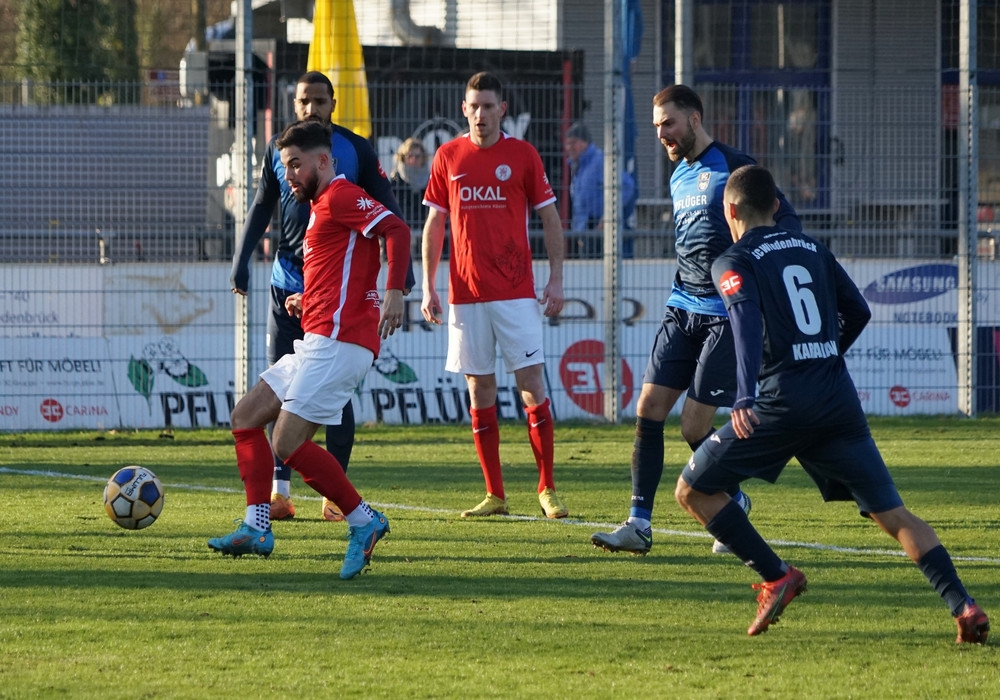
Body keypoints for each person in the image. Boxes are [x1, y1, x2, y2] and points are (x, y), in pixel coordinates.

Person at [674, 164, 990, 642]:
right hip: (837, 400)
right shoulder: (813, 248)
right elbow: (858, 310)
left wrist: (745, 395)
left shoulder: (733, 260)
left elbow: (745, 322)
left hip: (781, 403)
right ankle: (963, 605)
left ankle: (777, 575)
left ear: (730, 211)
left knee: (692, 491)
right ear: (776, 205)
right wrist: (824, 354)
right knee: (894, 515)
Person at [591, 84, 801, 556]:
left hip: (724, 315)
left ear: (695, 119)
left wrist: (755, 277)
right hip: (681, 306)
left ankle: (732, 501)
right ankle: (638, 525)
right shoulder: (678, 175)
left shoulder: (735, 167)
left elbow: (787, 223)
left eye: (668, 123)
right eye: (656, 126)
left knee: (692, 427)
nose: (661, 134)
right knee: (648, 408)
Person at [209, 120, 411, 580]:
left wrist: (395, 291)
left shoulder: (339, 195)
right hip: (320, 338)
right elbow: (344, 267)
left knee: (286, 441)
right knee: (245, 417)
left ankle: (363, 521)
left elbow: (397, 230)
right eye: (285, 167)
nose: (290, 176)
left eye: (296, 164)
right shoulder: (321, 206)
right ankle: (256, 526)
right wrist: (309, 299)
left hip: (341, 344)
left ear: (323, 160)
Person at [420, 71, 569, 519]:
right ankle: (495, 495)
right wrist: (428, 285)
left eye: (488, 106)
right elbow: (434, 225)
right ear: (463, 110)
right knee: (478, 389)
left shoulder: (522, 155)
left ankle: (547, 489)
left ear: (502, 109)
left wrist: (556, 278)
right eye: (474, 106)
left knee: (531, 386)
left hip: (515, 292)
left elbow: (550, 218)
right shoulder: (447, 156)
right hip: (465, 295)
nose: (480, 114)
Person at [563, 121, 636, 257]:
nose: (569, 148)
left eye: (573, 143)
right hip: (585, 231)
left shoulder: (599, 161)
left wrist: (608, 216)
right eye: (567, 144)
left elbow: (627, 186)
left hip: (599, 231)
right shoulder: (578, 166)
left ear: (585, 142)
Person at [389, 136, 430, 230]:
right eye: (410, 156)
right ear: (403, 158)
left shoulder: (430, 179)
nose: (413, 159)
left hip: (425, 225)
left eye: (417, 156)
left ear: (423, 158)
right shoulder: (396, 180)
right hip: (402, 225)